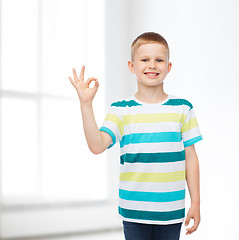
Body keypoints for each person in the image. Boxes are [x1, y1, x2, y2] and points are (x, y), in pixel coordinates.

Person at [68, 32, 203, 240]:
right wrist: (86, 104)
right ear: (132, 66)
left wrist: (196, 202)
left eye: (159, 60)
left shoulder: (183, 109)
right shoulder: (120, 109)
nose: (152, 65)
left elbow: (191, 157)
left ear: (168, 67)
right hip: (134, 211)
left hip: (170, 211)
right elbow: (97, 146)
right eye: (145, 60)